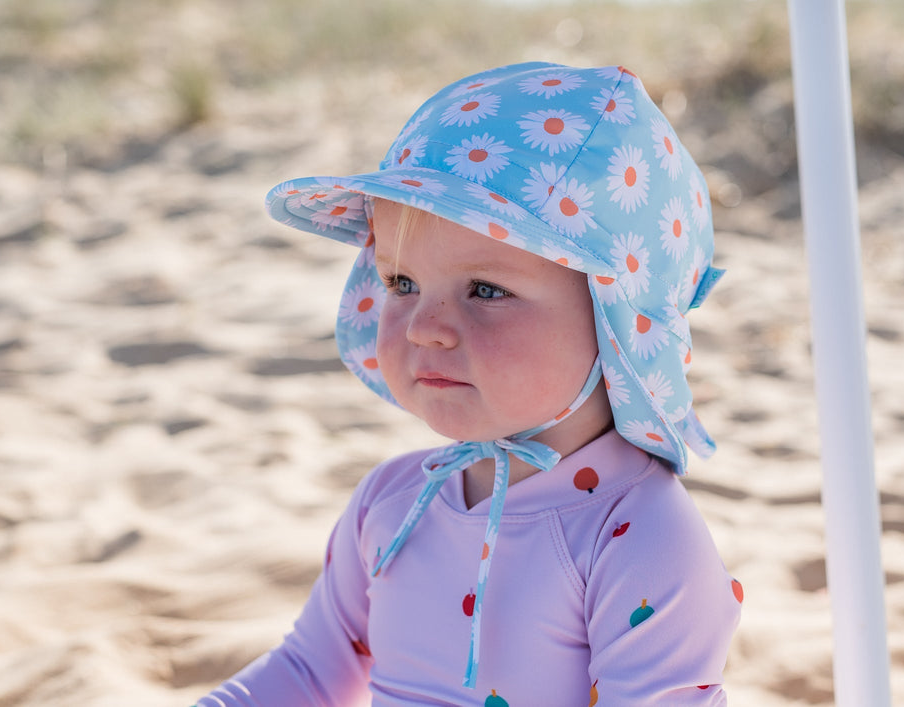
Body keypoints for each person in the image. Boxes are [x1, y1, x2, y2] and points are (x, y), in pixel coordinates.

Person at [198, 62, 741, 706]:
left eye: (485, 290)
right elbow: (310, 673)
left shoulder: (639, 535)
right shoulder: (392, 502)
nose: (424, 327)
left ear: (614, 319)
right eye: (401, 283)